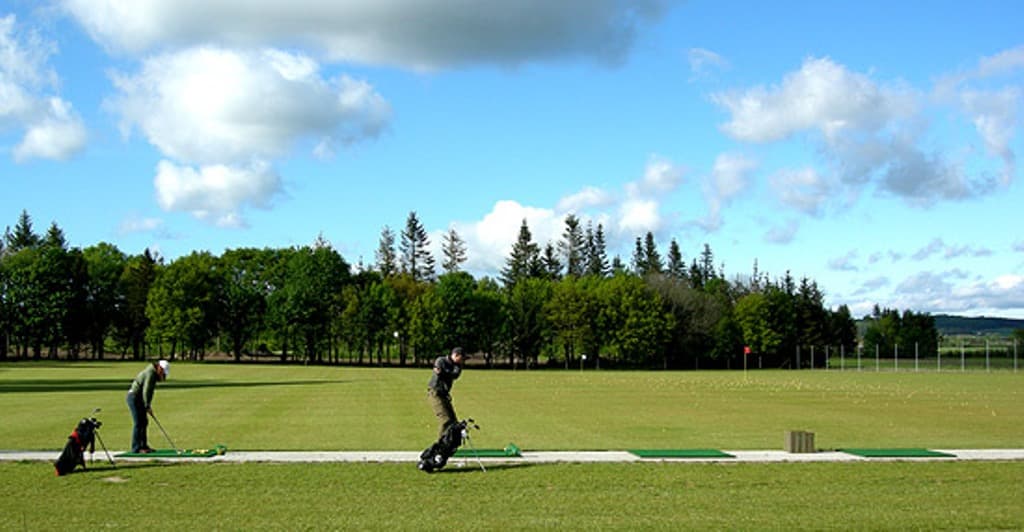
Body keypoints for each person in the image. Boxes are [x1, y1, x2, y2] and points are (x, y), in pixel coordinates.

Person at [126, 360, 169, 453]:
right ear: (159, 368)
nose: (163, 375)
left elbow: (149, 392)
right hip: (134, 397)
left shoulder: (153, 373)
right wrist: (147, 405)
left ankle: (143, 446)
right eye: (163, 373)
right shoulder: (150, 374)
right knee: (138, 422)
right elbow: (147, 391)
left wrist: (147, 405)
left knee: (144, 422)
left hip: (138, 398)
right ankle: (136, 448)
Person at [427, 347, 468, 440]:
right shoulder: (441, 360)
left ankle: (451, 444)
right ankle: (440, 446)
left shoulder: (457, 366)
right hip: (435, 393)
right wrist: (445, 372)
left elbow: (454, 375)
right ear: (456, 355)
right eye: (462, 359)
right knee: (446, 420)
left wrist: (443, 372)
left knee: (454, 422)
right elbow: (438, 372)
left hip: (444, 394)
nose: (463, 362)